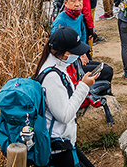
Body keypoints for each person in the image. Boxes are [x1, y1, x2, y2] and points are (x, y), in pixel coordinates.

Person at [34, 26, 96, 167]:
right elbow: (64, 115)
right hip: (57, 148)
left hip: (65, 143)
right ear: (65, 53)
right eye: (75, 52)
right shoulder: (52, 77)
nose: (77, 55)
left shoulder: (57, 66)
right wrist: (84, 86)